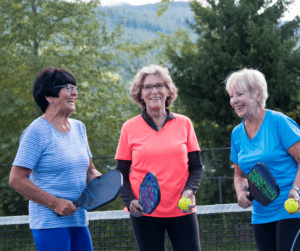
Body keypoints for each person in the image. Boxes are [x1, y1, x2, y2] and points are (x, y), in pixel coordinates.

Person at [9, 67, 101, 251]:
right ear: (49, 96)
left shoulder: (79, 128)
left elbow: (90, 169)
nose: (74, 92)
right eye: (68, 88)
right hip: (49, 224)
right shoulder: (35, 132)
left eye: (75, 88)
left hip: (79, 220)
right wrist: (55, 203)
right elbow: (16, 179)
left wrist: (103, 183)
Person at [115, 64, 202, 251]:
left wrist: (189, 191)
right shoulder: (129, 128)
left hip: (182, 210)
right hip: (145, 213)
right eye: (148, 87)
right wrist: (130, 201)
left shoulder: (184, 123)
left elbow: (196, 167)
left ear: (168, 90)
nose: (154, 91)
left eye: (160, 85)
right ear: (140, 94)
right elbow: (120, 173)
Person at [226, 68, 300, 251]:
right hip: (261, 214)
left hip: (291, 210)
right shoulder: (237, 134)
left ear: (257, 94)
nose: (234, 100)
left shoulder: (278, 122)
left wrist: (295, 189)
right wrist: (240, 193)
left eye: (239, 94)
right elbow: (240, 174)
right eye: (231, 95)